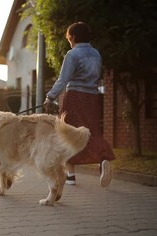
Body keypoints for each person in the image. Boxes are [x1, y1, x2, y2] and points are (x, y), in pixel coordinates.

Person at [43, 22, 115, 187]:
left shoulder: (72, 54)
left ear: (73, 37)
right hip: (93, 97)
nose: (69, 40)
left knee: (69, 133)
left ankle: (71, 175)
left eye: (69, 37)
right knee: (91, 131)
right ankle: (103, 159)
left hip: (75, 97)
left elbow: (63, 79)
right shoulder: (96, 54)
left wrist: (50, 97)